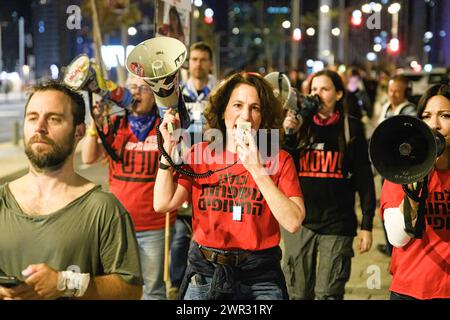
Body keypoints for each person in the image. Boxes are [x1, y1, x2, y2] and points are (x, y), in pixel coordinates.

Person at [154, 72, 305, 300]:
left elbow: (293, 222)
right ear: (223, 110)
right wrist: (167, 151)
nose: (246, 115)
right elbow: (163, 203)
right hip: (204, 275)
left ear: (263, 116)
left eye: (255, 108)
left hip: (259, 279)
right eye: (238, 105)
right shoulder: (201, 153)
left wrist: (257, 169)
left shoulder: (279, 159)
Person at [0, 81, 142, 300]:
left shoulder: (104, 209)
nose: (40, 127)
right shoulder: (2, 200)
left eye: (54, 118)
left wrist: (65, 283)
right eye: (32, 117)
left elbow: (130, 290)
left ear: (79, 131)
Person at [282, 70, 376, 300]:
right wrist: (288, 133)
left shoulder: (350, 127)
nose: (317, 94)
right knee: (297, 291)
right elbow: (282, 167)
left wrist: (366, 224)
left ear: (339, 94)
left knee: (328, 293)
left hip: (337, 222)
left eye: (325, 89)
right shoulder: (300, 125)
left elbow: (363, 177)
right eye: (313, 89)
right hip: (301, 221)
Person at [81, 76, 175, 300]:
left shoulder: (164, 127)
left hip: (154, 225)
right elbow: (88, 156)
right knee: (117, 289)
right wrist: (96, 123)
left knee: (152, 290)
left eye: (144, 88)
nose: (136, 93)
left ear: (155, 96)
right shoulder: (115, 124)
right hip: (117, 225)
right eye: (132, 87)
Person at [380, 84, 450, 300]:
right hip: (411, 288)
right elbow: (398, 238)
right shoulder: (402, 171)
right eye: (427, 116)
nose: (435, 125)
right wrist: (414, 182)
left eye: (445, 116)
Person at [168, 42, 217, 299]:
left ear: (210, 63)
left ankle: (205, 280)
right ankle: (176, 283)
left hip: (209, 169)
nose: (198, 64)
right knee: (178, 237)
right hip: (182, 167)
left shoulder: (218, 93)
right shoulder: (177, 94)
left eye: (202, 59)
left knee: (205, 229)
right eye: (194, 59)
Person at [376, 75, 417, 257]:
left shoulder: (409, 111)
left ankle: (396, 251)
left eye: (397, 91)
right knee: (387, 210)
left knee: (401, 213)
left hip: (399, 168)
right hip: (384, 166)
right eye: (390, 90)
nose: (392, 95)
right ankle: (392, 248)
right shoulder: (386, 108)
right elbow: (273, 167)